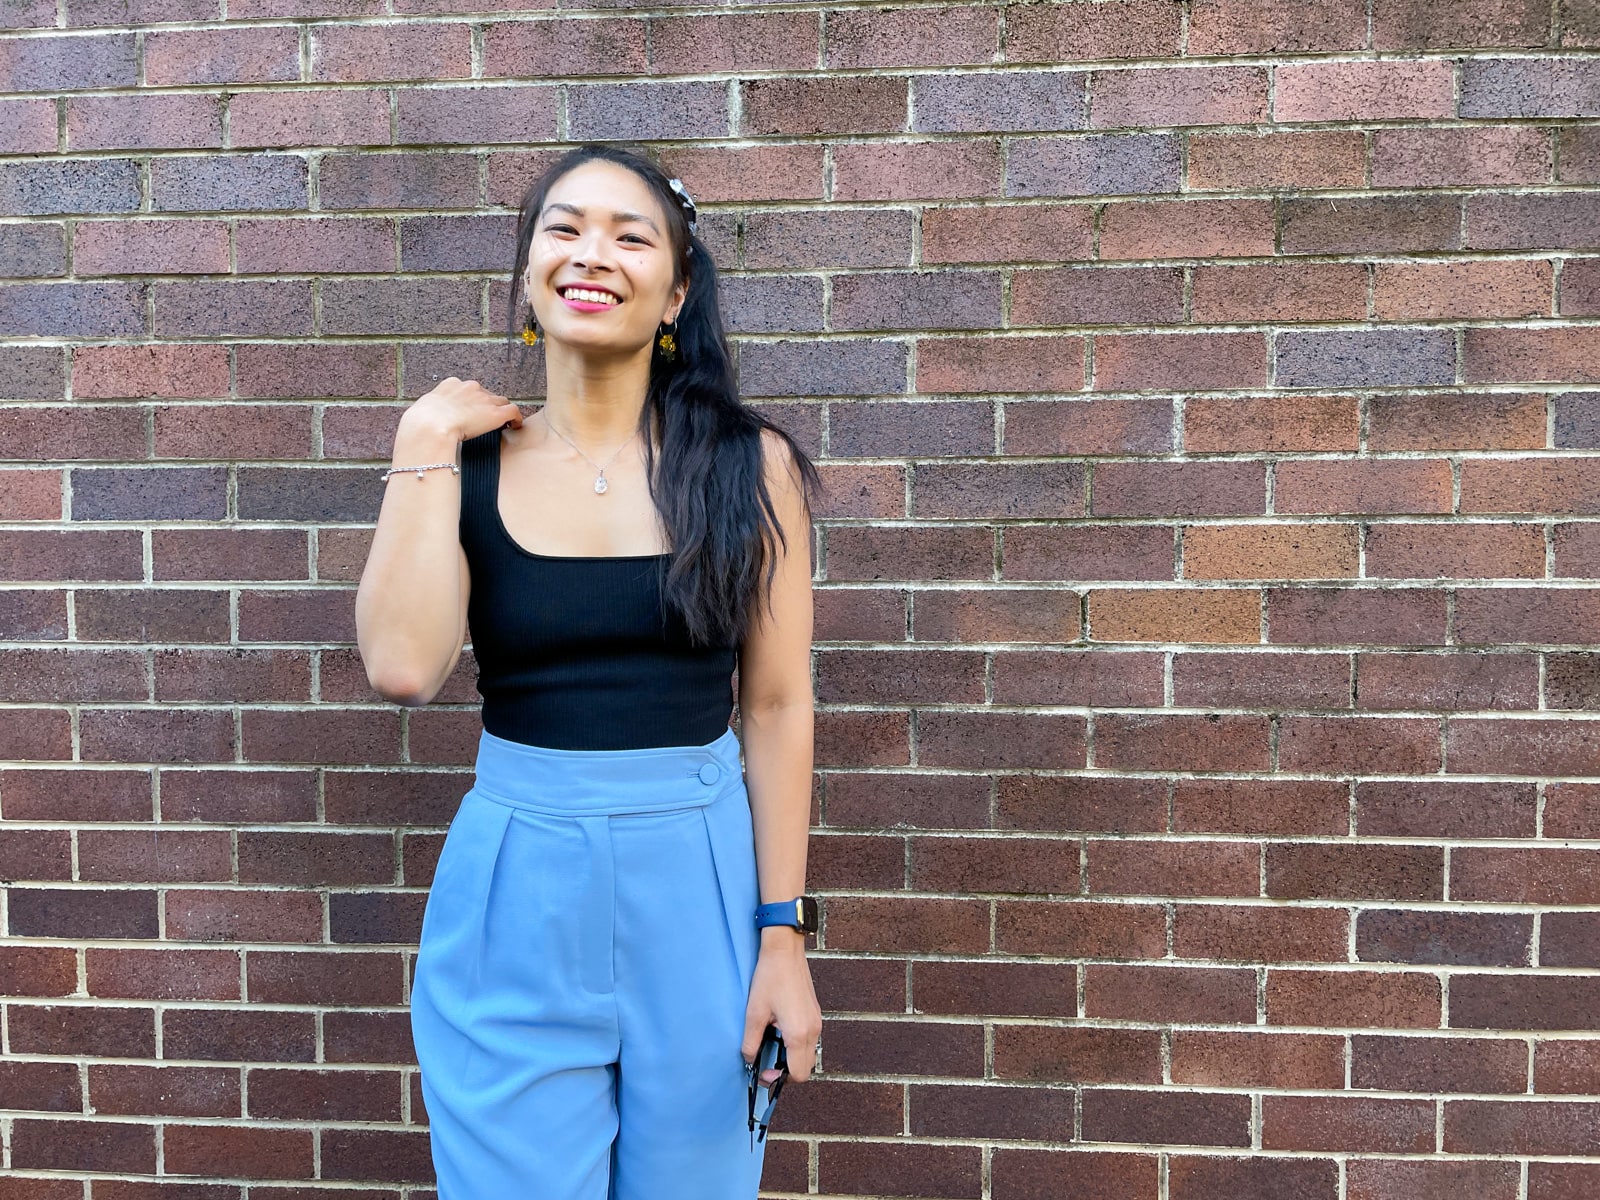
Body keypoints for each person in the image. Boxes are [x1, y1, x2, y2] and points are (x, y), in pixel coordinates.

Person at [354, 142, 824, 1199]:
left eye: (629, 234)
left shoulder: (751, 469)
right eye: (562, 228)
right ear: (528, 274)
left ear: (677, 289)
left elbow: (779, 706)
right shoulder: (460, 461)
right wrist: (420, 439)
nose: (590, 253)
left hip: (700, 883)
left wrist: (781, 938)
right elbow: (400, 666)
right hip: (518, 883)